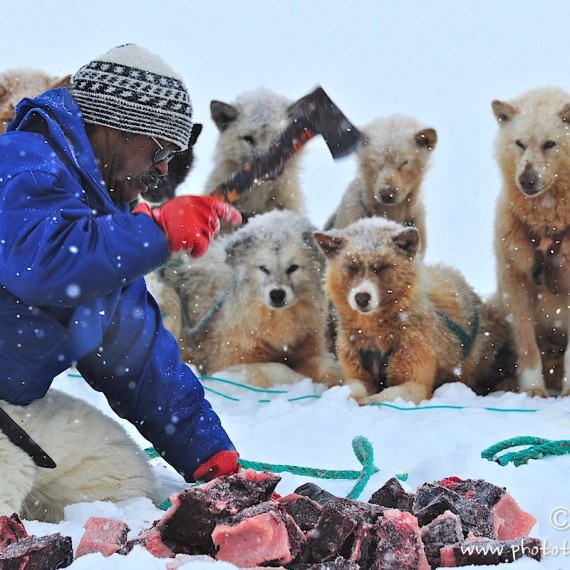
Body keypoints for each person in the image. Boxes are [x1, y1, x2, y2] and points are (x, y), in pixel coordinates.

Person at [0, 44, 243, 483]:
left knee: (123, 484)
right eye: (159, 151)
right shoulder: (21, 162)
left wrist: (210, 455)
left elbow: (136, 355)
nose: (165, 170)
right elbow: (43, 263)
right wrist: (158, 232)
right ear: (118, 128)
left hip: (8, 406)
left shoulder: (104, 225)